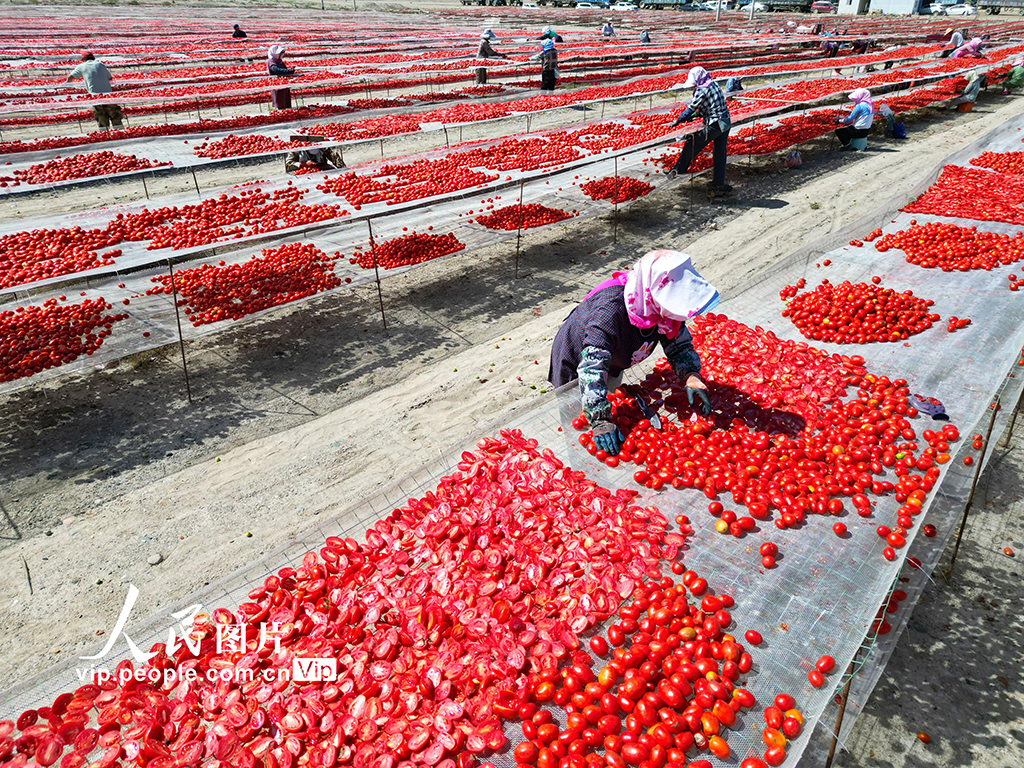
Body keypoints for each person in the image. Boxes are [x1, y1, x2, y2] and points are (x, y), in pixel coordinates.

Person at [548, 250, 719, 456]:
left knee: (608, 403)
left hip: (610, 358)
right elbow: (592, 368)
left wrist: (692, 376)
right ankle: (582, 472)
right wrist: (600, 420)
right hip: (577, 361)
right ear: (655, 295)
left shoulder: (658, 306)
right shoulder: (611, 311)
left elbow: (678, 343)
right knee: (581, 425)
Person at [668, 66, 732, 194]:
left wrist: (680, 119)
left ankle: (678, 169)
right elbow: (708, 106)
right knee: (720, 153)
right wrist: (693, 116)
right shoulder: (714, 84)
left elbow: (693, 107)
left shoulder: (703, 89)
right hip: (725, 122)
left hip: (715, 123)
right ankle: (719, 183)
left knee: (692, 143)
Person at [66, 53, 122, 130]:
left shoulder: (81, 66)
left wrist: (69, 88)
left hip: (95, 96)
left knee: (102, 119)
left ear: (83, 60)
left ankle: (105, 137)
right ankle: (120, 134)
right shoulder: (100, 64)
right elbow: (109, 78)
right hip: (108, 95)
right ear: (93, 58)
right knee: (115, 117)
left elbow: (70, 78)